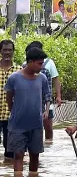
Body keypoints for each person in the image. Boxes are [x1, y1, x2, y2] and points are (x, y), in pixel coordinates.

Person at [5, 47, 50, 175]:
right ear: (30, 62)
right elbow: (9, 97)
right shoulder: (14, 78)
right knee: (18, 155)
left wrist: (46, 111)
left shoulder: (42, 78)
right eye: (39, 63)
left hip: (36, 124)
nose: (41, 66)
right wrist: (13, 112)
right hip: (17, 125)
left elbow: (47, 95)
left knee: (35, 155)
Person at [24, 41, 62, 141]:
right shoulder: (24, 66)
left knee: (48, 126)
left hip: (45, 102)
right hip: (30, 105)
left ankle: (48, 144)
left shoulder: (49, 64)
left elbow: (56, 79)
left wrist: (58, 96)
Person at [0, 40, 21, 158]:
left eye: (10, 50)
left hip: (12, 116)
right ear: (0, 51)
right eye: (5, 50)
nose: (7, 53)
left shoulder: (19, 70)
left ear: (13, 52)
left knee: (10, 151)